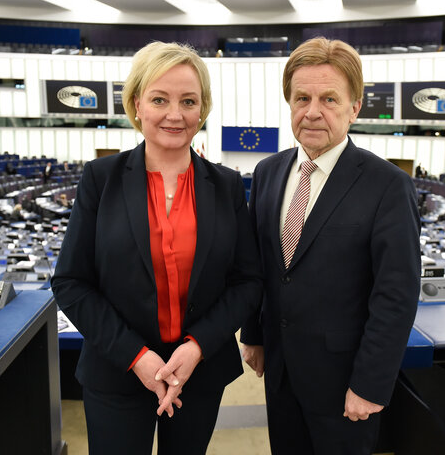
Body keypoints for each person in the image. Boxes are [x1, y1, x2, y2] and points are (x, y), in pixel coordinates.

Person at [51, 41, 262, 455]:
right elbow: (72, 282)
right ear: (136, 104)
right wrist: (138, 357)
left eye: (188, 101)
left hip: (198, 374)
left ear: (202, 109)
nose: (175, 114)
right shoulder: (100, 179)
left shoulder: (227, 186)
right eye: (159, 99)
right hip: (117, 371)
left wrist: (197, 346)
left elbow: (247, 282)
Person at [240, 37, 421, 455]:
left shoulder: (388, 186)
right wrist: (253, 333)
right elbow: (259, 265)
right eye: (301, 97)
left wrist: (370, 385)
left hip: (346, 385)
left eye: (329, 98)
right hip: (281, 372)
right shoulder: (268, 172)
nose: (312, 111)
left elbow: (395, 296)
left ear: (354, 107)